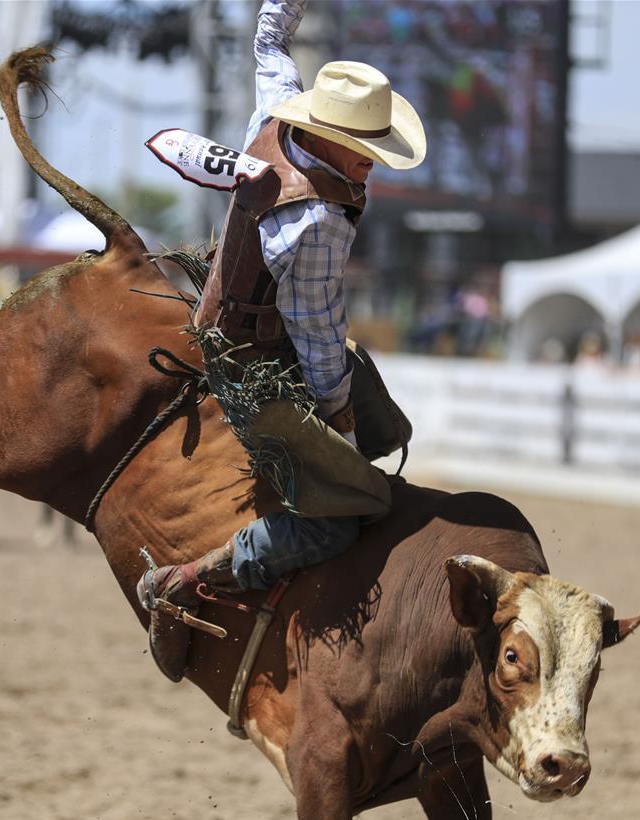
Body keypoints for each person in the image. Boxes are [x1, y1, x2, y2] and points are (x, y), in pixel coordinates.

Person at [138, 0, 426, 673]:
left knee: (369, 396)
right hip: (254, 364)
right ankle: (188, 580)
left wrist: (283, 6)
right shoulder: (317, 221)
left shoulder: (278, 116)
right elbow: (318, 336)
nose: (368, 167)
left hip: (230, 324)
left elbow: (269, 45)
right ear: (327, 138)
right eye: (361, 153)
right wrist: (342, 430)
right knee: (340, 512)